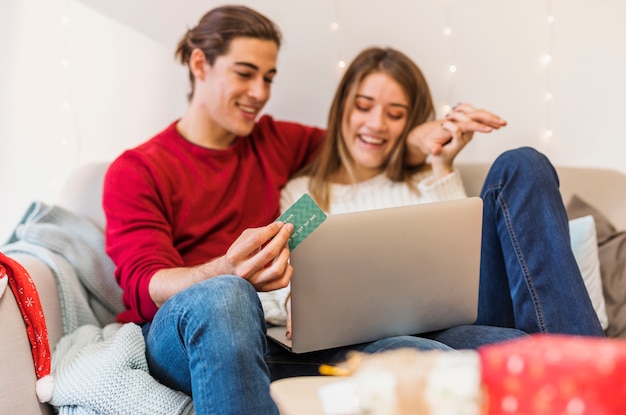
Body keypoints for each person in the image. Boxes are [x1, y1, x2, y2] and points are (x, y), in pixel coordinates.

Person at [102, 6, 522, 414]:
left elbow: (357, 139)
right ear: (199, 64)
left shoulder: (273, 141)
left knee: (427, 354)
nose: (260, 94)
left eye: (268, 78)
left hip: (269, 337)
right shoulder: (138, 169)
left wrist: (422, 137)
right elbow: (144, 282)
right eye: (245, 74)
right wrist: (224, 271)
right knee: (227, 295)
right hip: (182, 335)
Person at [261, 47, 605, 344]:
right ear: (342, 110)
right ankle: (575, 369)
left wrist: (442, 167)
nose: (376, 124)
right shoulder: (304, 193)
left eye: (395, 114)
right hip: (389, 340)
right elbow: (275, 288)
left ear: (411, 122)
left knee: (523, 164)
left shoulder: (426, 179)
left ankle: (585, 366)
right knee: (510, 344)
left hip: (460, 319)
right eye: (363, 107)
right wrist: (298, 301)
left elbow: (466, 271)